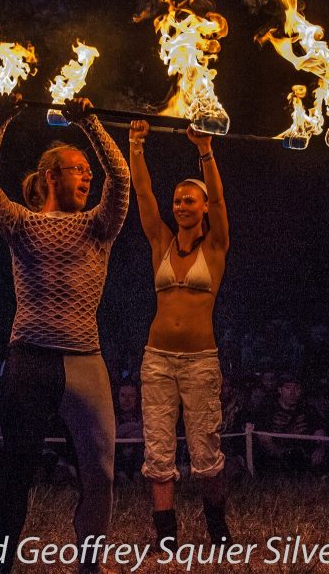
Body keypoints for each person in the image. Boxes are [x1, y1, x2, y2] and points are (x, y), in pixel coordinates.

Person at [0, 97, 129, 573]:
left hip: (85, 359)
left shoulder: (99, 225)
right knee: (17, 468)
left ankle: (90, 562)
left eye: (87, 170)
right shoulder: (20, 221)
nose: (87, 176)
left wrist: (91, 122)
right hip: (30, 359)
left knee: (100, 471)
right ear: (51, 177)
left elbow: (119, 179)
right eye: (77, 169)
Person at [128, 119, 232, 546]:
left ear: (204, 207)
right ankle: (166, 535)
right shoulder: (161, 242)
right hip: (157, 358)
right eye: (178, 200)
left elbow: (221, 199)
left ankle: (218, 531)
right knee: (158, 448)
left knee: (206, 452)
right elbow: (143, 194)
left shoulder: (216, 246)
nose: (182, 205)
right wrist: (136, 146)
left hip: (199, 361)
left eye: (190, 200)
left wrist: (204, 150)